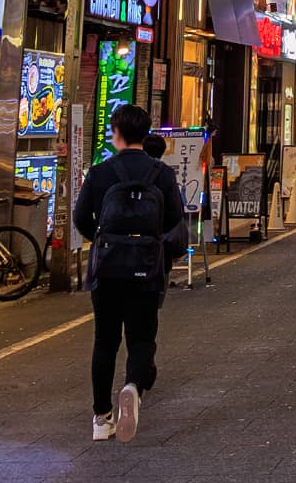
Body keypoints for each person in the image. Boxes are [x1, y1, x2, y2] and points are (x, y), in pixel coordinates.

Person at [75, 104, 184, 442]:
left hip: (107, 268)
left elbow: (81, 219)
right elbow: (173, 219)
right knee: (141, 337)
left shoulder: (100, 172)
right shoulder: (161, 173)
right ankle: (133, 388)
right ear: (146, 132)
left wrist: (106, 238)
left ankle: (101, 417)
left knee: (104, 341)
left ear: (116, 133)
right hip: (146, 268)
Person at [142, 133, 192, 277]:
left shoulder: (130, 169)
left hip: (133, 239)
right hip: (159, 238)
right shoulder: (166, 172)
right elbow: (176, 210)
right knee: (157, 283)